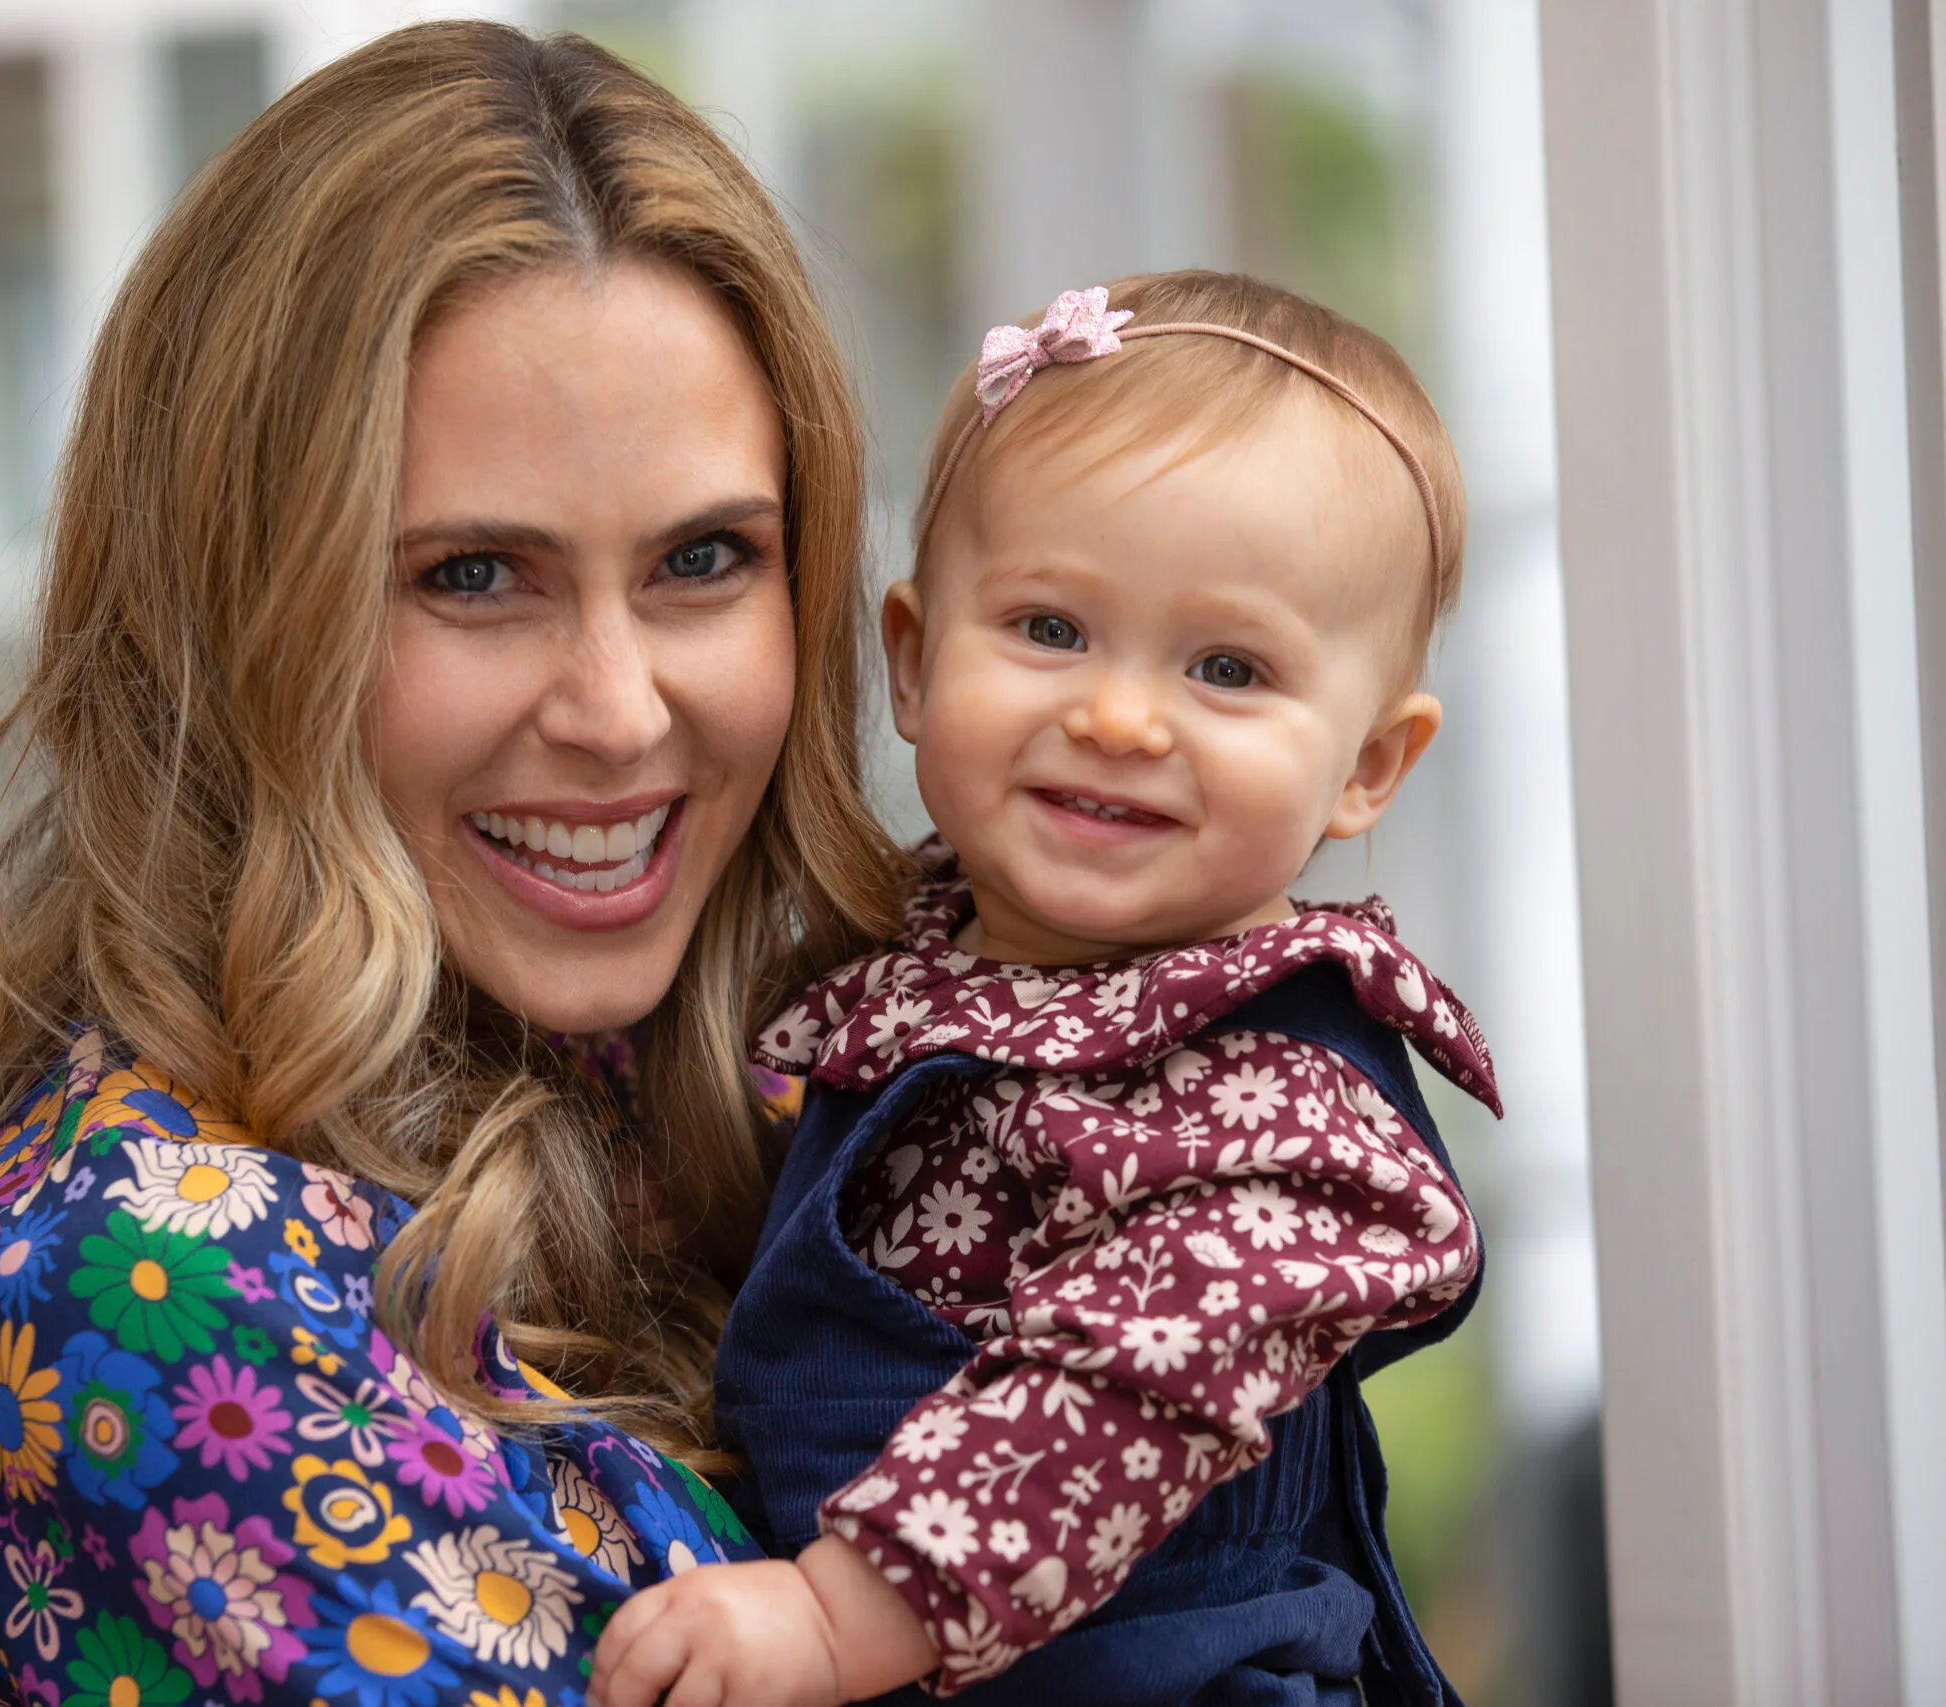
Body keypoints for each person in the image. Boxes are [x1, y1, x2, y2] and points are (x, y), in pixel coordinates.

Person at [0, 23, 910, 1706]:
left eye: (702, 558)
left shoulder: (798, 1088)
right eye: (470, 574)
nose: (618, 710)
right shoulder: (146, 1290)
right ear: (235, 614)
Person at [590, 273, 1500, 1706]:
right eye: (1051, 630)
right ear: (911, 659)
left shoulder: (1288, 1101)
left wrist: (840, 1615)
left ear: (1370, 766)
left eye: (1227, 667)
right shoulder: (900, 968)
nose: (1120, 716)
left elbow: (1116, 1393)